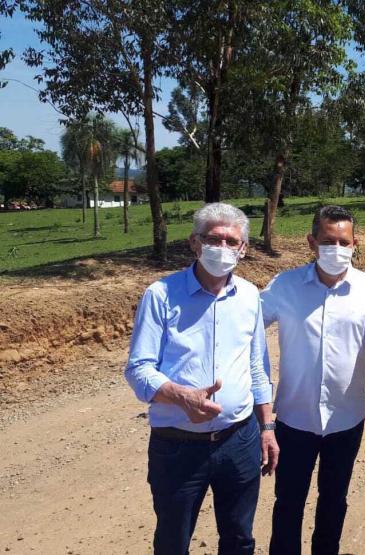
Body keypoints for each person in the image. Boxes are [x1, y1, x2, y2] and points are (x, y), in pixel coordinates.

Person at [125, 202, 278, 555]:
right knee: (173, 541)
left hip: (239, 440)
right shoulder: (161, 295)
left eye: (231, 241)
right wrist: (181, 396)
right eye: (213, 239)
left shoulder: (250, 297)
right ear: (195, 243)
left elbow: (257, 366)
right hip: (177, 446)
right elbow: (139, 368)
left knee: (239, 538)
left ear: (243, 249)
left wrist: (267, 428)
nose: (222, 248)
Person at [260, 205, 365, 555]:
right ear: (311, 242)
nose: (336, 249)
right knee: (288, 500)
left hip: (346, 417)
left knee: (334, 498)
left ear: (355, 244)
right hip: (294, 417)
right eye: (327, 241)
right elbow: (246, 324)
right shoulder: (285, 285)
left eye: (343, 242)